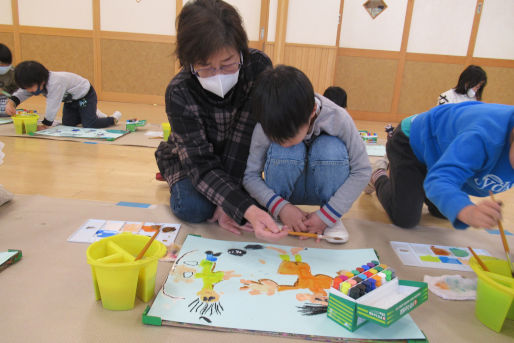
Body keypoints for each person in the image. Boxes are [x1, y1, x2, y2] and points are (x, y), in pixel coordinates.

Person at [154, 0, 287, 241]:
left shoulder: (258, 67)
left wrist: (230, 203)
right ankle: (171, 174)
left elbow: (245, 140)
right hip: (193, 159)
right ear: (188, 61)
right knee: (193, 208)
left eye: (227, 65)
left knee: (258, 207)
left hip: (241, 159)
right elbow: (200, 164)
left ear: (241, 51)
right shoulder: (179, 91)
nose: (218, 75)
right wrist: (240, 205)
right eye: (205, 68)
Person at [243, 65, 371, 242]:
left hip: (326, 196)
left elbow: (362, 170)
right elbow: (250, 175)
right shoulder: (266, 122)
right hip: (284, 196)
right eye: (276, 137)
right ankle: (279, 214)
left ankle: (331, 221)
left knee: (330, 148)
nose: (283, 142)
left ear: (311, 112)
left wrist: (327, 216)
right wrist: (280, 207)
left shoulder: (338, 117)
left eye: (287, 137)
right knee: (286, 151)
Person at [365, 102, 514, 230]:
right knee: (405, 217)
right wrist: (468, 212)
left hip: (441, 155)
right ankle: (378, 174)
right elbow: (439, 180)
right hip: (411, 141)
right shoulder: (481, 138)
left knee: (444, 212)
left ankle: (417, 182)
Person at [5, 61, 121, 129]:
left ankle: (113, 118)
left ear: (40, 80)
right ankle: (89, 112)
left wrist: (46, 124)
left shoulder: (55, 82)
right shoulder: (36, 83)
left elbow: (52, 104)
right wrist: (12, 102)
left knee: (89, 125)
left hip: (85, 96)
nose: (28, 90)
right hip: (71, 101)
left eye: (29, 87)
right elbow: (22, 92)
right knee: (68, 124)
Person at [0, 44, 17, 117]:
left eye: (7, 65)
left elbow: (18, 93)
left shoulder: (13, 73)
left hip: (4, 99)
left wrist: (4, 92)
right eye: (1, 64)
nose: (5, 67)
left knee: (6, 111)